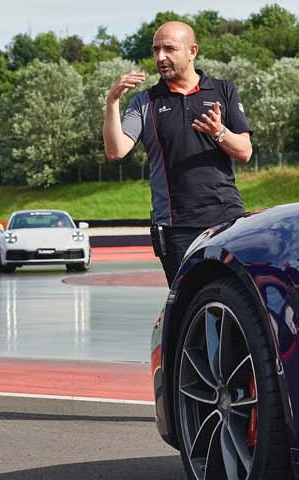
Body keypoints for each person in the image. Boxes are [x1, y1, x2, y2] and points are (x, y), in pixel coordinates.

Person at [102, 21, 253, 286]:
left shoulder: (222, 91)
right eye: (156, 50)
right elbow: (116, 151)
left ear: (192, 51)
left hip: (227, 218)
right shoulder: (145, 101)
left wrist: (219, 132)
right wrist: (112, 103)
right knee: (188, 302)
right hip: (175, 227)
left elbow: (245, 151)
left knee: (234, 296)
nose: (160, 57)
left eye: (169, 49)